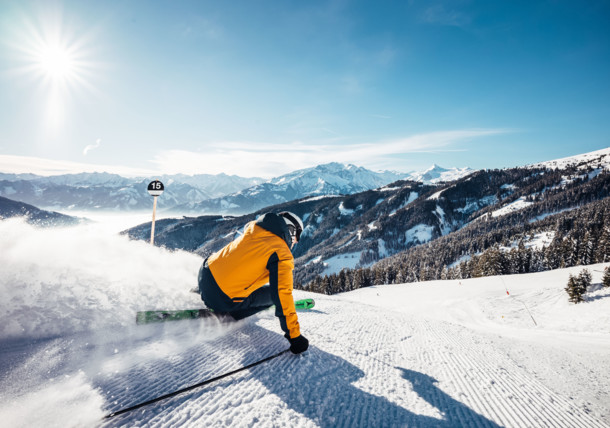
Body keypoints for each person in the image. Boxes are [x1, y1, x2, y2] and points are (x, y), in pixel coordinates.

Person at [197, 211, 309, 355]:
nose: (297, 241)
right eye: (297, 235)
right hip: (220, 299)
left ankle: (205, 290)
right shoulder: (281, 252)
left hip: (204, 274)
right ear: (291, 230)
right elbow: (282, 294)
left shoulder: (254, 228)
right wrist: (294, 336)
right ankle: (230, 314)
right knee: (272, 296)